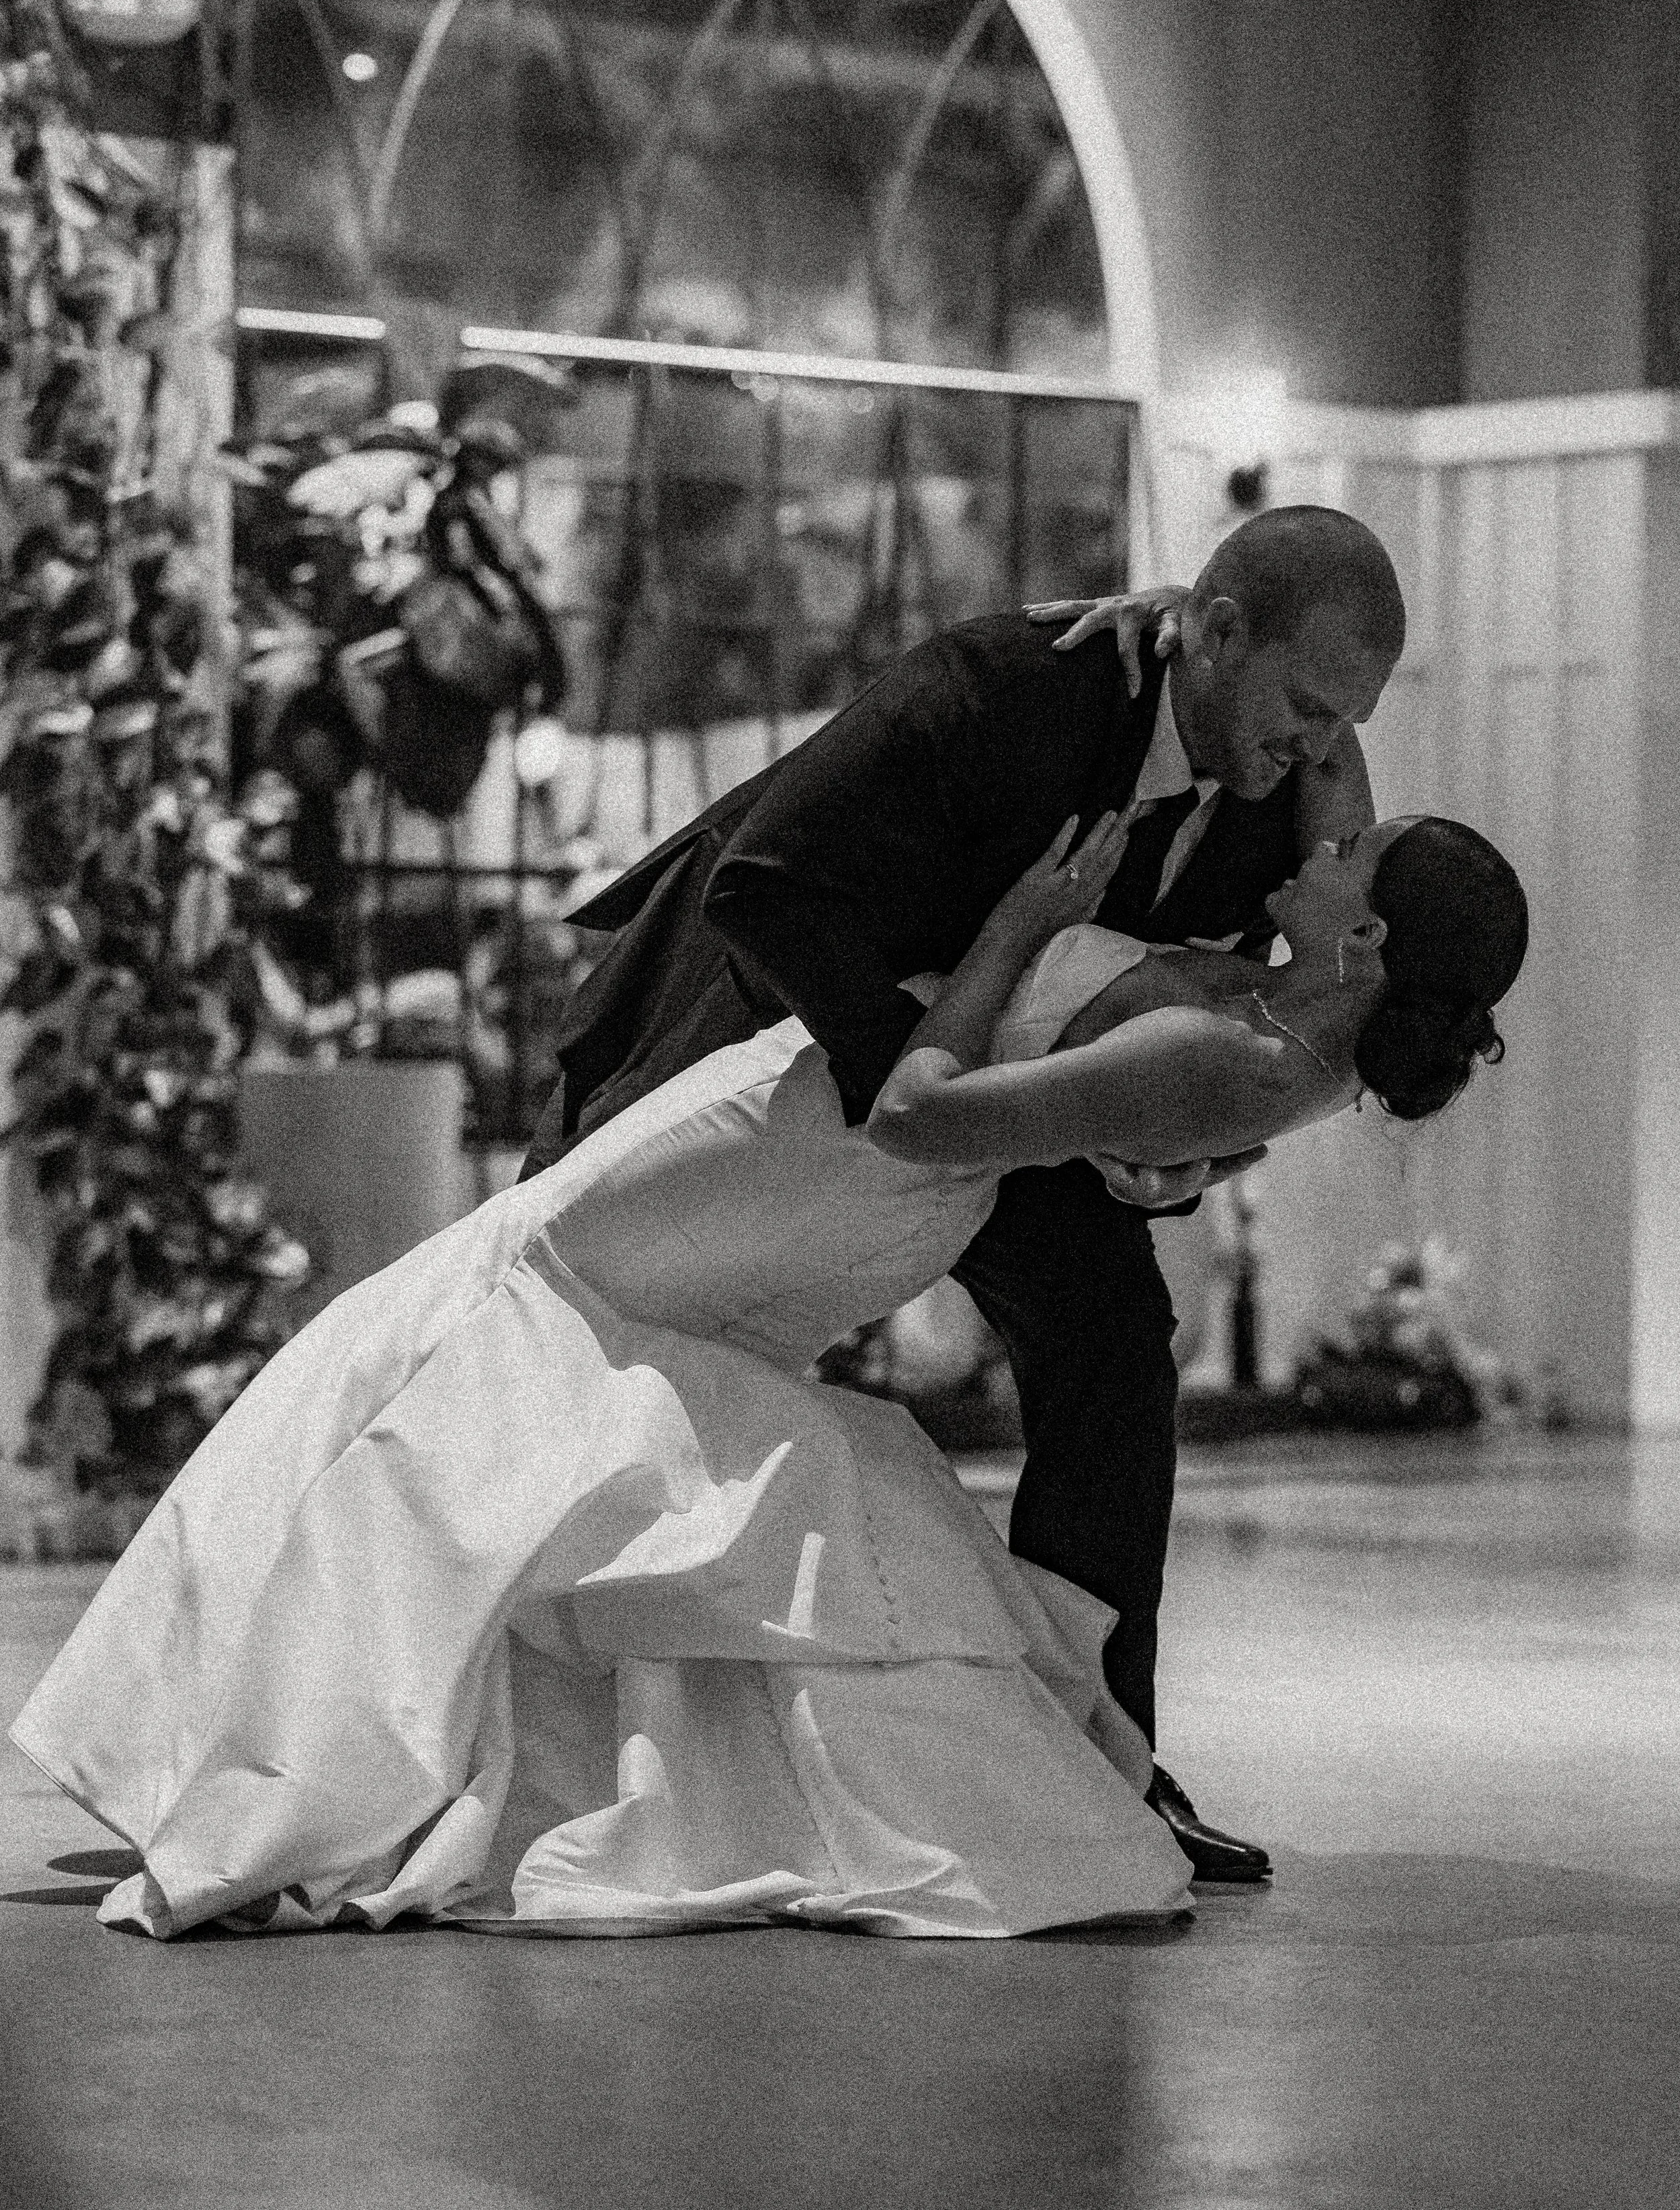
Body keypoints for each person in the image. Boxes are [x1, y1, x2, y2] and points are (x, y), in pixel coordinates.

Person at [11, 801, 1527, 1940]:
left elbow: (928, 1113)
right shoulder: (1294, 1023)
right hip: (824, 1160)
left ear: (1371, 941)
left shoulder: (1241, 1059)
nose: (1325, 822)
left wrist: (1021, 916)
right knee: (544, 1300)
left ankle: (324, 1739)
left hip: (839, 1146)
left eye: (1354, 850)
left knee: (544, 1286)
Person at [517, 505, 1406, 1878]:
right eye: (1304, 706)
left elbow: (1147, 1054)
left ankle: (1099, 1767)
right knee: (578, 1363)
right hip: (771, 1041)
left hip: (969, 1098)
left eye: (1344, 723)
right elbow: (770, 888)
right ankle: (560, 1740)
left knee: (1112, 1348)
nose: (1318, 749)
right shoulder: (1002, 690)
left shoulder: (1272, 805)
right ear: (1218, 631)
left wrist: (1138, 1158)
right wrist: (913, 1107)